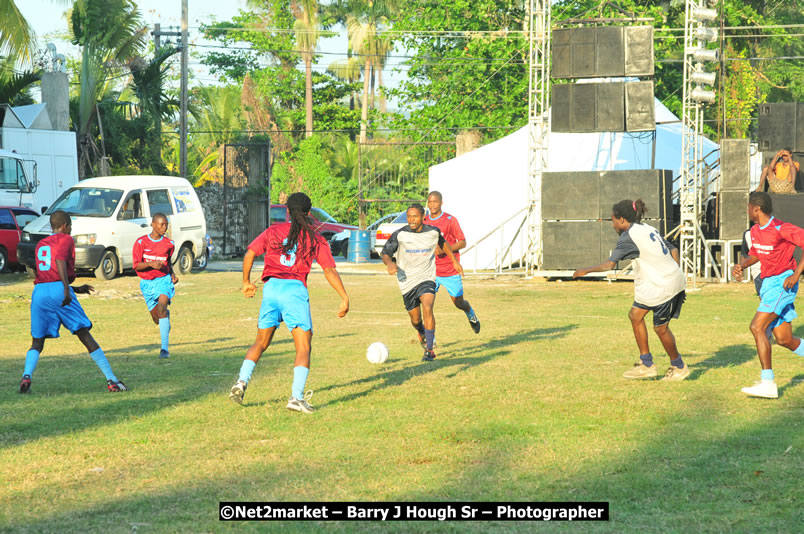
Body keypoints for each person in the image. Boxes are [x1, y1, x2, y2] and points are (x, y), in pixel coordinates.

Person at [228, 192, 349, 414]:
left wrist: (246, 282)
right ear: (309, 212)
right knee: (303, 346)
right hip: (294, 292)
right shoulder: (315, 238)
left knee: (260, 343)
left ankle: (240, 383)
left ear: (287, 212)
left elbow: (250, 253)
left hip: (272, 290)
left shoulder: (273, 231)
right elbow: (329, 269)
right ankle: (296, 397)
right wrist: (344, 296)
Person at [573, 199, 689, 381]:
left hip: (664, 286)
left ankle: (679, 366)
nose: (612, 225)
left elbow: (609, 265)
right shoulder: (648, 229)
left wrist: (584, 270)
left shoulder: (629, 237)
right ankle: (647, 364)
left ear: (621, 220)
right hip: (660, 283)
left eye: (613, 221)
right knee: (635, 315)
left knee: (661, 329)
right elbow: (673, 249)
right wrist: (674, 270)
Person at [19, 210, 127, 393]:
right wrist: (67, 289)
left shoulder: (41, 244)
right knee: (84, 334)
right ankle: (112, 380)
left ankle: (26, 376)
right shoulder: (66, 239)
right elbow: (60, 261)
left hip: (39, 291)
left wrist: (75, 289)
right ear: (65, 226)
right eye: (70, 227)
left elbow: (45, 273)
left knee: (37, 341)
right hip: (58, 290)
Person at [732, 191, 804, 399]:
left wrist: (797, 273)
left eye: (748, 207)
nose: (747, 210)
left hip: (783, 283)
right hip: (768, 283)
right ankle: (767, 381)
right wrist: (743, 265)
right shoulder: (755, 231)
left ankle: (768, 383)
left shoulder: (781, 228)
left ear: (756, 208)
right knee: (784, 339)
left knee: (757, 327)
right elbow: (756, 253)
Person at [382, 203, 463, 361]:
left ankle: (430, 350)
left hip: (427, 277)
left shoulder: (432, 232)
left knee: (428, 307)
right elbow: (386, 253)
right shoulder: (400, 234)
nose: (411, 220)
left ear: (423, 218)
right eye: (409, 216)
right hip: (407, 280)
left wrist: (454, 261)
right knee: (416, 319)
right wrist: (390, 263)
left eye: (415, 216)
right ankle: (421, 332)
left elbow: (443, 243)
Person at [424, 191, 480, 339]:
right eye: (430, 202)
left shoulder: (450, 220)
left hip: (449, 269)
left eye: (435, 201)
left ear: (441, 202)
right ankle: (431, 340)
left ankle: (470, 313)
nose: (432, 205)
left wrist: (443, 249)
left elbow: (462, 241)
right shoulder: (423, 221)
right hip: (430, 271)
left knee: (458, 302)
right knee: (426, 305)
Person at [133, 213, 177, 359]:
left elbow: (168, 262)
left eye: (166, 224)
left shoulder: (169, 244)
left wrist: (172, 274)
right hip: (146, 284)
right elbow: (137, 266)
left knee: (162, 306)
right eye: (161, 224)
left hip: (163, 280)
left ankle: (164, 349)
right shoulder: (141, 243)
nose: (164, 227)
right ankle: (164, 318)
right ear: (153, 224)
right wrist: (151, 264)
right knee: (157, 318)